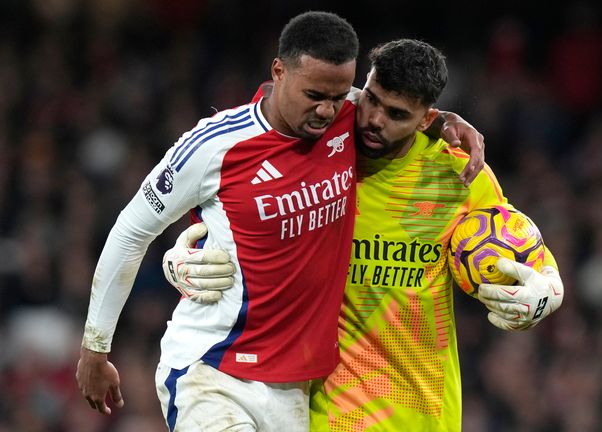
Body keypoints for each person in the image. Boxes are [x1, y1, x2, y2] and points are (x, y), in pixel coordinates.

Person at [75, 12, 485, 432]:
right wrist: (96, 348)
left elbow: (395, 108)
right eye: (314, 94)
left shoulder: (350, 117)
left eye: (340, 95)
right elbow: (130, 232)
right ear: (279, 71)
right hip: (213, 370)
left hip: (294, 391)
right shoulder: (215, 145)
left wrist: (445, 121)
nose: (327, 109)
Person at [165, 39, 564, 431]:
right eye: (371, 100)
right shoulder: (316, 155)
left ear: (426, 118)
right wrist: (184, 257)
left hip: (426, 410)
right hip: (331, 409)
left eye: (396, 113)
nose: (374, 119)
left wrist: (548, 290)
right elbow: (242, 213)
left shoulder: (455, 173)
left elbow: (521, 245)